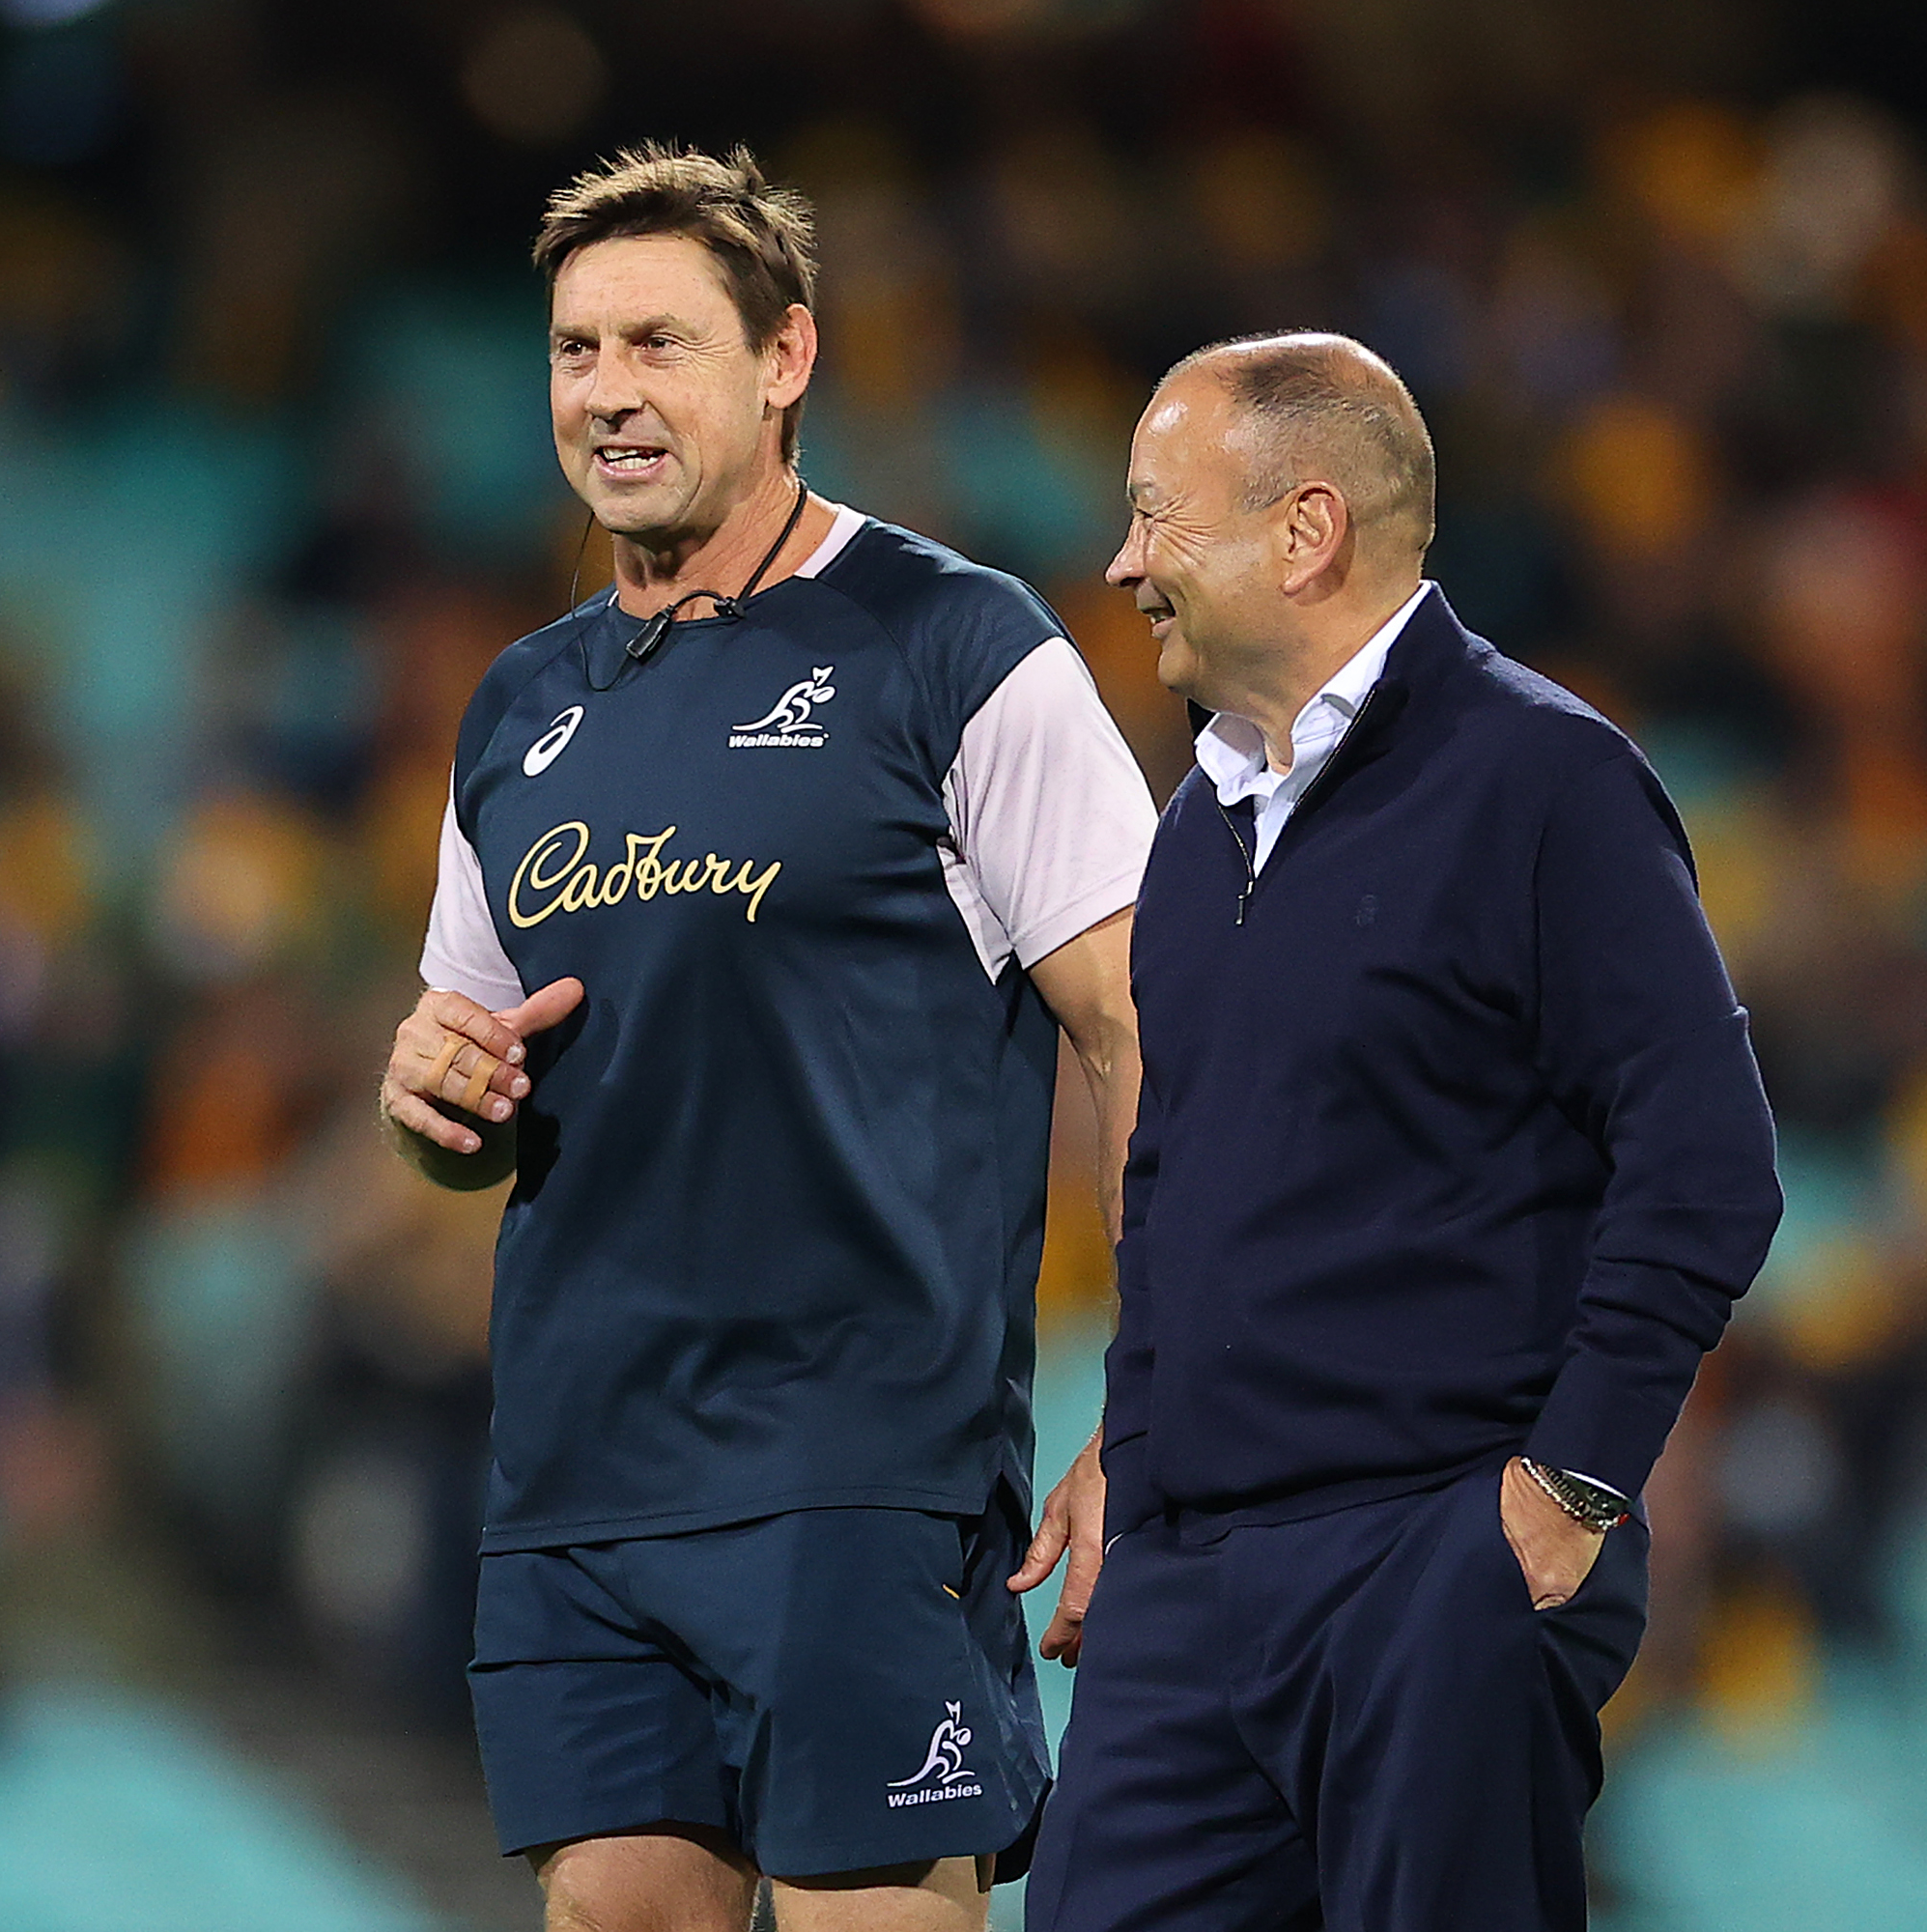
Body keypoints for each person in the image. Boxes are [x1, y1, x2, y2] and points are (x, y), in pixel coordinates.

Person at [374, 145, 1150, 1932]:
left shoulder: (959, 646)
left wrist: (1154, 1399)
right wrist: (436, 1100)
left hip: (859, 1467)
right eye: (575, 351)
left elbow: (1140, 1027)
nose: (609, 393)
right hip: (582, 1471)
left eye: (660, 342)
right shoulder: (521, 706)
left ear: (785, 358)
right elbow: (468, 1068)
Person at [1026, 333, 1783, 1932]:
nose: (1123, 564)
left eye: (1159, 518)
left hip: (1437, 1556)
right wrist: (1139, 1466)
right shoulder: (1192, 829)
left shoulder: (1545, 781)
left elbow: (1707, 1157)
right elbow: (1168, 1195)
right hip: (1189, 1589)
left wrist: (1568, 1489)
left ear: (1306, 533)